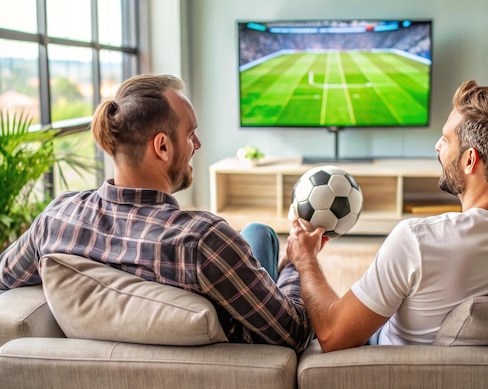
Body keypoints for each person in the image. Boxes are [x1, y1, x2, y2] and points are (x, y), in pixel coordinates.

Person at [0, 74, 312, 353]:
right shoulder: (203, 240)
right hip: (241, 349)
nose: (197, 144)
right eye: (190, 134)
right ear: (162, 147)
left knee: (257, 232)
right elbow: (294, 333)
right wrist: (297, 265)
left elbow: (5, 277)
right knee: (261, 234)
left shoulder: (57, 218)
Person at [286, 79, 488, 353]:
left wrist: (305, 260)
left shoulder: (417, 241)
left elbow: (334, 336)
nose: (437, 146)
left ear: (470, 160)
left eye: (446, 139)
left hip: (382, 359)